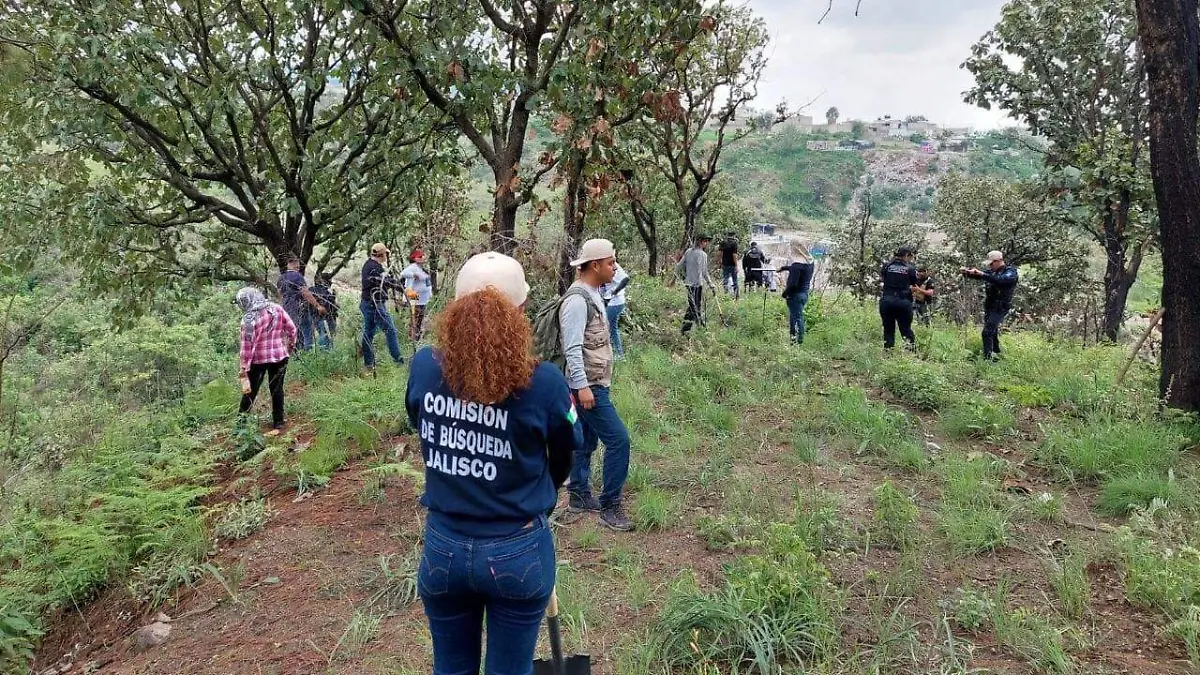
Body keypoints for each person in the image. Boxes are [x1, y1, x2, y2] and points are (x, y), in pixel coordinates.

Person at [405, 251, 582, 675]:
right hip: (518, 548)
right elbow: (565, 451)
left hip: (443, 548)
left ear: (454, 309)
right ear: (519, 312)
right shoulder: (545, 384)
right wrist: (544, 490)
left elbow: (420, 424)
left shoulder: (425, 368)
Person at [558, 239, 634, 532]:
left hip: (594, 382)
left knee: (586, 440)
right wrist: (582, 387)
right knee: (619, 440)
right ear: (594, 266)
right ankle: (610, 506)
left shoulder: (591, 294)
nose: (614, 267)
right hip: (588, 386)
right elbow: (572, 348)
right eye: (611, 262)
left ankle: (578, 494)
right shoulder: (577, 301)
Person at [236, 287, 297, 436]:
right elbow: (292, 329)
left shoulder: (248, 321)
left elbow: (246, 348)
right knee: (277, 389)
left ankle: (240, 425)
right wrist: (290, 346)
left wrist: (243, 368)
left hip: (258, 360)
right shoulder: (276, 308)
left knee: (250, 392)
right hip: (280, 356)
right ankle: (279, 421)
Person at [962, 250, 1019, 361]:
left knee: (987, 332)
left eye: (991, 263)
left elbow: (1001, 280)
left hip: (1000, 307)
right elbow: (981, 275)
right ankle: (997, 354)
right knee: (993, 332)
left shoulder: (1010, 272)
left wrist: (983, 274)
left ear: (998, 261)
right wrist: (968, 272)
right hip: (990, 305)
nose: (990, 266)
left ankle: (987, 359)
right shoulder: (992, 272)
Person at [360, 242, 406, 368]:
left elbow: (386, 282)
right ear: (382, 254)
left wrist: (398, 284)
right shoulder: (375, 267)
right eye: (385, 253)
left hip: (368, 304)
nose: (386, 255)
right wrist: (404, 290)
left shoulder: (369, 265)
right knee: (390, 330)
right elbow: (385, 281)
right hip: (374, 305)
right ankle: (399, 361)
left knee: (368, 333)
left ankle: (368, 364)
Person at [278, 255, 326, 351]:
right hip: (299, 308)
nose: (298, 268)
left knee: (292, 332)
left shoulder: (281, 278)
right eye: (298, 266)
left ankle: (294, 354)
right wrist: (318, 306)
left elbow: (279, 295)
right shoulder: (297, 276)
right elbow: (305, 293)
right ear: (294, 264)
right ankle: (307, 352)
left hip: (286, 309)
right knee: (307, 331)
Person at [676, 233, 718, 334]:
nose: (707, 243)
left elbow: (679, 266)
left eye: (708, 241)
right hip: (697, 284)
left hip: (689, 284)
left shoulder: (688, 252)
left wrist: (684, 276)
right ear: (700, 242)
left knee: (694, 306)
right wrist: (711, 284)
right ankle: (697, 327)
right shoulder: (703, 255)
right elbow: (704, 272)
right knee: (694, 307)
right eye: (705, 241)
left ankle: (690, 328)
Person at [879, 246, 920, 351]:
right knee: (906, 329)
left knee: (888, 330)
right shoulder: (910, 268)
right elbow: (914, 282)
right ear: (906, 255)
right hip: (903, 302)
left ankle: (888, 353)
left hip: (887, 301)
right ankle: (910, 353)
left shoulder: (887, 266)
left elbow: (883, 278)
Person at [781, 243, 816, 345]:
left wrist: (785, 293)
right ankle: (793, 340)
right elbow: (801, 271)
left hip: (794, 295)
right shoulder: (810, 262)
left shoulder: (796, 265)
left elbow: (793, 284)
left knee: (797, 318)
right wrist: (785, 268)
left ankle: (798, 342)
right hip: (804, 294)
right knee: (795, 316)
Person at [401, 248, 433, 343]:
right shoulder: (413, 267)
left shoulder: (421, 268)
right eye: (420, 256)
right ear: (414, 258)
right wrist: (414, 275)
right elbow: (403, 273)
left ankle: (417, 338)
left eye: (423, 256)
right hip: (414, 296)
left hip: (423, 298)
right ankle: (412, 339)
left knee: (420, 318)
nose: (422, 257)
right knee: (415, 318)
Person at [600, 261, 630, 359]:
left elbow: (626, 279)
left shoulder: (611, 264)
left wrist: (615, 292)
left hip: (615, 302)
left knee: (602, 326)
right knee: (613, 328)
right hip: (611, 301)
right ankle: (619, 355)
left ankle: (604, 354)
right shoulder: (599, 264)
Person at [309, 273, 338, 349]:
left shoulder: (311, 290)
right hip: (327, 317)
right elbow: (334, 306)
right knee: (326, 336)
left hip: (315, 317)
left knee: (323, 335)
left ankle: (325, 353)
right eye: (330, 281)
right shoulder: (328, 291)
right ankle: (326, 354)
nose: (331, 283)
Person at [717, 231, 740, 299]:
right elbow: (734, 255)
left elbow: (719, 253)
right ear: (734, 236)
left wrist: (719, 261)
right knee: (735, 280)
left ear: (727, 235)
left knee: (725, 280)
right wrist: (736, 265)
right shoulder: (734, 243)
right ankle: (736, 296)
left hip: (725, 264)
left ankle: (726, 295)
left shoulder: (723, 242)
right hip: (732, 265)